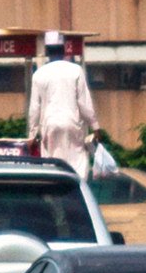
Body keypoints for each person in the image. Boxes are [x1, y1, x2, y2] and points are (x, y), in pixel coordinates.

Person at [25, 33, 99, 173]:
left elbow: (34, 108)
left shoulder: (39, 74)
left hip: (49, 125)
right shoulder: (76, 70)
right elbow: (84, 103)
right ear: (64, 49)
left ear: (47, 51)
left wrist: (32, 135)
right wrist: (95, 126)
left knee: (52, 164)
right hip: (73, 124)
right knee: (78, 163)